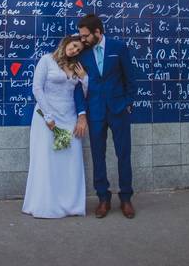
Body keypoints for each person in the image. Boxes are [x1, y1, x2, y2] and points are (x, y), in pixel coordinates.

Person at [77, 13, 140, 219]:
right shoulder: (83, 54)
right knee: (98, 155)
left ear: (98, 32)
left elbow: (130, 77)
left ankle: (126, 198)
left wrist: (128, 103)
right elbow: (78, 86)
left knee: (123, 154)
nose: (82, 39)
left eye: (86, 35)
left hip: (119, 109)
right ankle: (103, 198)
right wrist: (83, 112)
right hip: (95, 111)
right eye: (81, 35)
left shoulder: (118, 47)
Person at [22, 35, 89, 218]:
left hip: (69, 118)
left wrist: (84, 79)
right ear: (67, 42)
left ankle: (70, 205)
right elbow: (37, 88)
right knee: (47, 161)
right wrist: (49, 116)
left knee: (70, 161)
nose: (75, 50)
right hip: (47, 118)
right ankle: (46, 205)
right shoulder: (46, 60)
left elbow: (82, 94)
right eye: (74, 46)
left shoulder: (76, 67)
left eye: (78, 50)